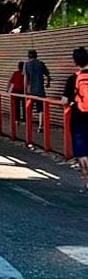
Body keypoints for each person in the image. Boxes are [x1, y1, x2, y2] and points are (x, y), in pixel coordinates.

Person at [61, 47, 88, 192]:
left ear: (75, 61)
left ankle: (86, 181)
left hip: (78, 118)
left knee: (82, 152)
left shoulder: (73, 79)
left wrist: (71, 100)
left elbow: (64, 100)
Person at [24, 50, 51, 132]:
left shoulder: (26, 65)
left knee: (29, 108)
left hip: (30, 91)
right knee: (41, 109)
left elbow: (25, 78)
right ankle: (40, 126)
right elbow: (48, 75)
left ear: (28, 56)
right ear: (36, 56)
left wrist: (25, 90)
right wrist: (48, 83)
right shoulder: (41, 64)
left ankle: (29, 125)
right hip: (40, 90)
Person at [8, 61, 25, 126]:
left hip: (15, 92)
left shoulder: (15, 73)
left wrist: (8, 90)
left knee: (16, 106)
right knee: (24, 106)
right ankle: (24, 120)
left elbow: (11, 82)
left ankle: (17, 119)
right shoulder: (25, 74)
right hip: (23, 92)